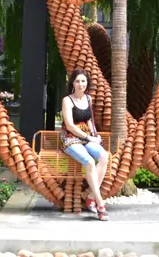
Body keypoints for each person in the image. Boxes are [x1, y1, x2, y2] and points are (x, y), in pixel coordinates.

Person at [60, 68, 109, 220]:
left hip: (87, 137)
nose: (81, 84)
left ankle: (89, 195)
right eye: (77, 81)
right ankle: (99, 202)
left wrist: (95, 134)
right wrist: (89, 137)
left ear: (87, 83)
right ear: (72, 83)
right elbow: (69, 125)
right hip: (70, 138)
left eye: (83, 81)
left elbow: (89, 119)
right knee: (88, 162)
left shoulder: (88, 99)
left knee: (103, 156)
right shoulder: (67, 100)